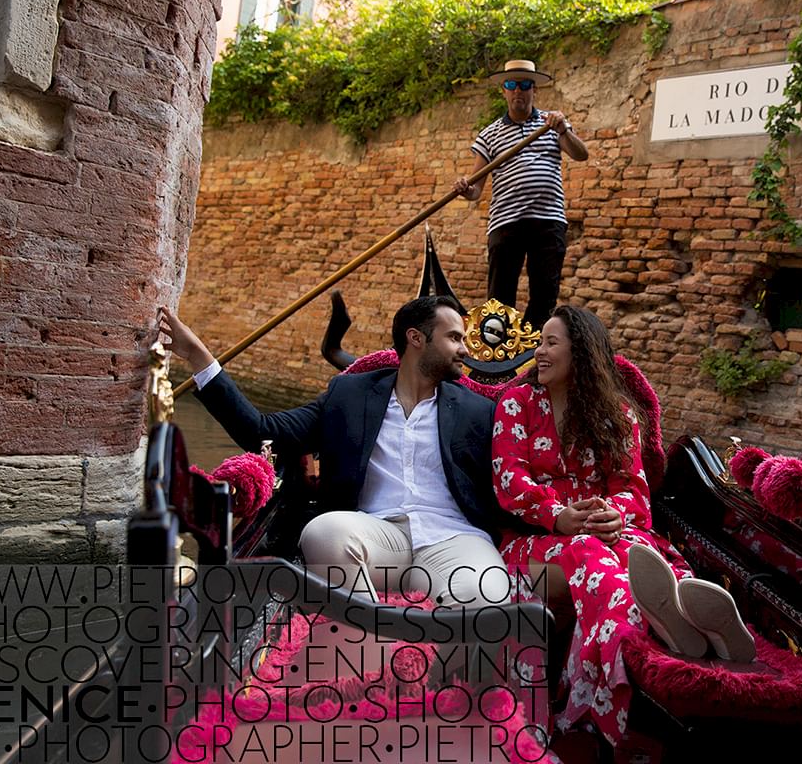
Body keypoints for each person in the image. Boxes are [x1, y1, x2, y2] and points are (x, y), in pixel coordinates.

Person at [491, 305, 755, 750]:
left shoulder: (616, 415)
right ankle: (609, 689)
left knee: (640, 551)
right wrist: (560, 516)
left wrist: (613, 513)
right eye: (540, 344)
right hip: (534, 543)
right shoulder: (516, 403)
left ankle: (689, 626)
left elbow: (633, 489)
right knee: (594, 554)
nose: (539, 354)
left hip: (602, 535)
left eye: (550, 344)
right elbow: (508, 477)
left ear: (583, 353)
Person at [157, 296, 510, 607]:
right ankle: (377, 642)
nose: (465, 349)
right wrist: (198, 357)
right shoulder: (349, 395)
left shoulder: (477, 410)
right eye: (454, 338)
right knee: (322, 533)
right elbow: (264, 433)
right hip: (374, 535)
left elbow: (520, 463)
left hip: (452, 539)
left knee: (487, 596)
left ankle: (423, 659)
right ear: (416, 338)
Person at [453, 60, 589, 331]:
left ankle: (533, 355)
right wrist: (466, 189)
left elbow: (581, 154)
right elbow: (476, 189)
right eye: (511, 84)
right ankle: (497, 360)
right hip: (506, 222)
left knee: (545, 295)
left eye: (525, 84)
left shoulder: (552, 122)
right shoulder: (489, 134)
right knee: (499, 300)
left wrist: (563, 130)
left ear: (533, 89)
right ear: (503, 90)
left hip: (548, 221)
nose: (518, 91)